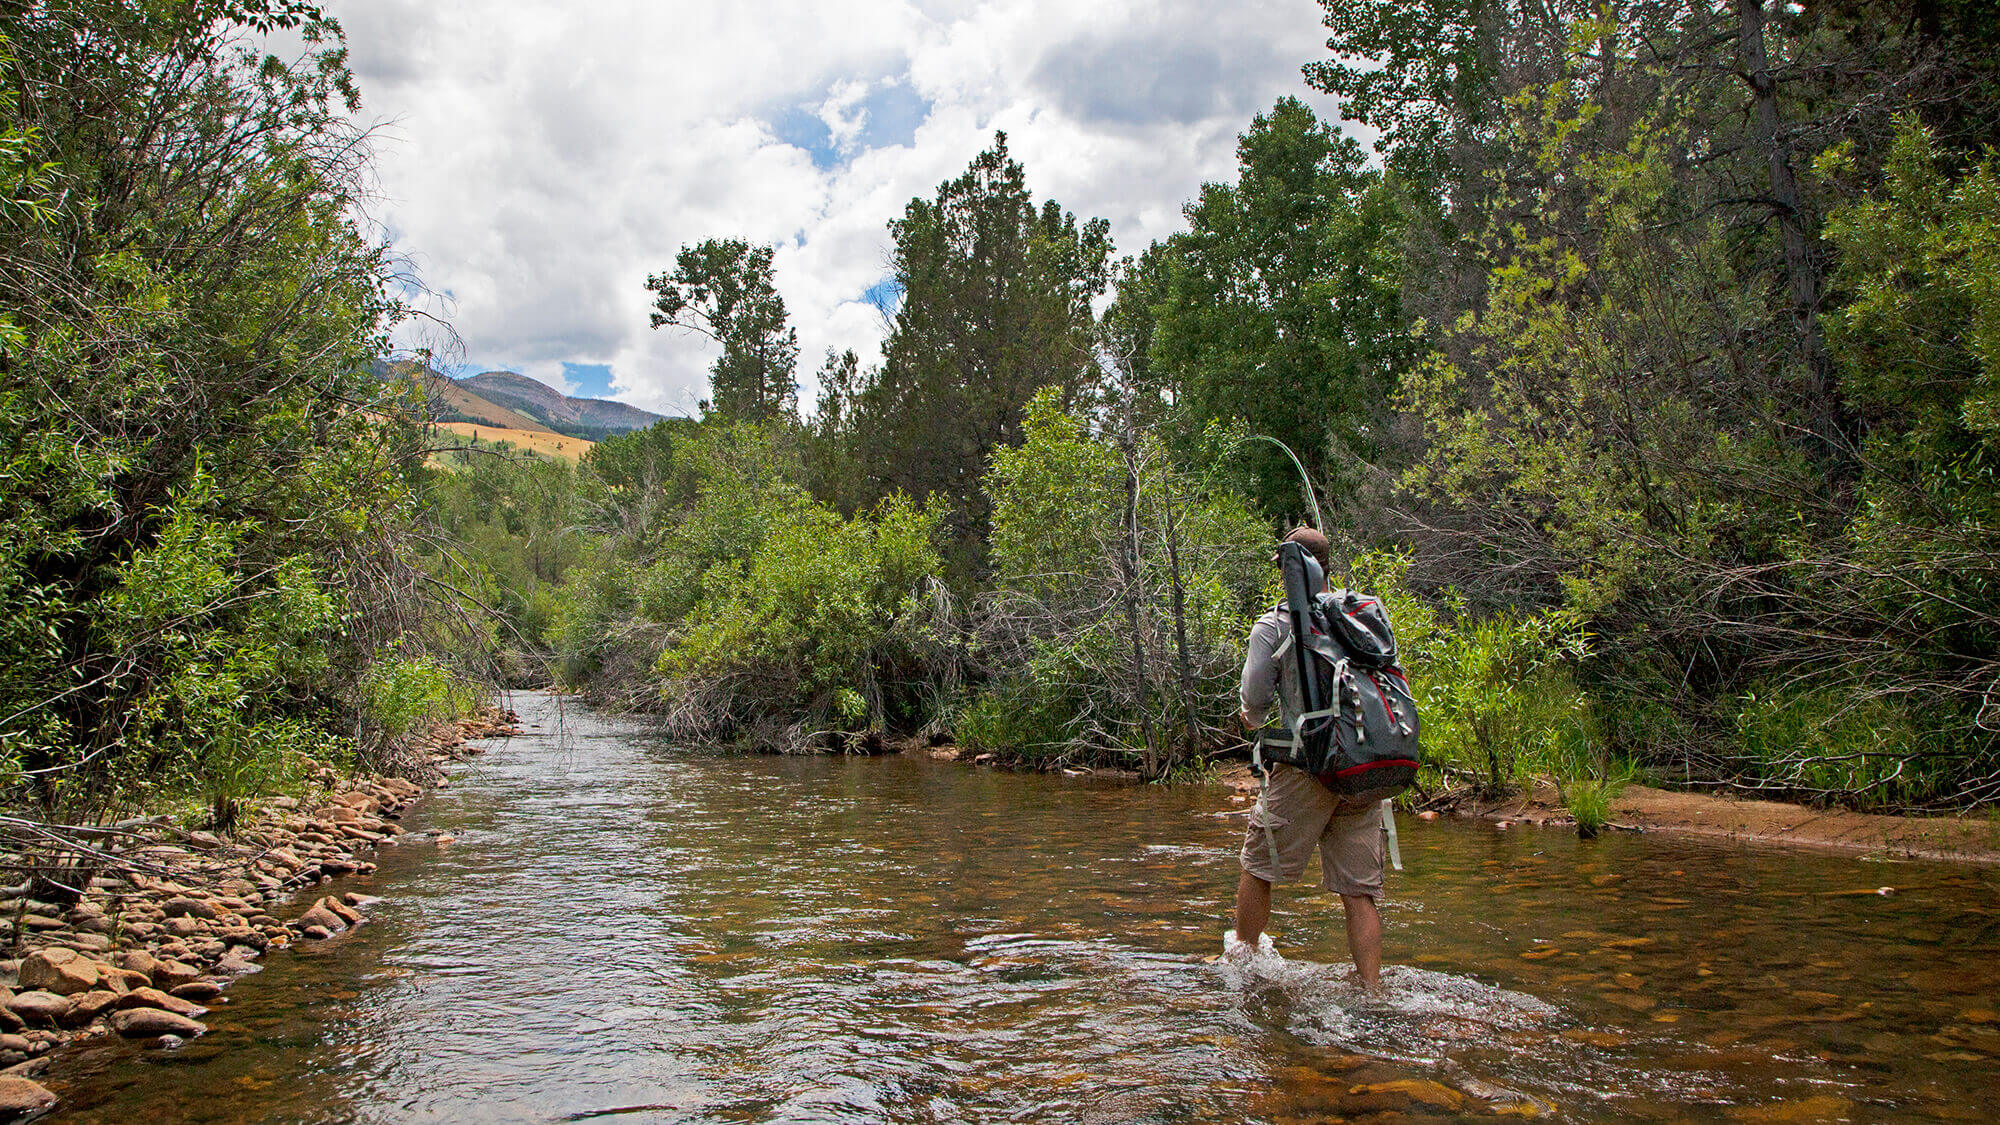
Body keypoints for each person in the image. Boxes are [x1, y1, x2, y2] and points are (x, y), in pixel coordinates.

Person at [1231, 526, 1385, 986]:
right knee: (1359, 893)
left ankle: (1242, 967)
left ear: (1286, 570)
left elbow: (1254, 703)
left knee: (1258, 867)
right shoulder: (1363, 614)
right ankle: (1371, 990)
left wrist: (1250, 718)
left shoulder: (1273, 625)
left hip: (1307, 768)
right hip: (1363, 767)